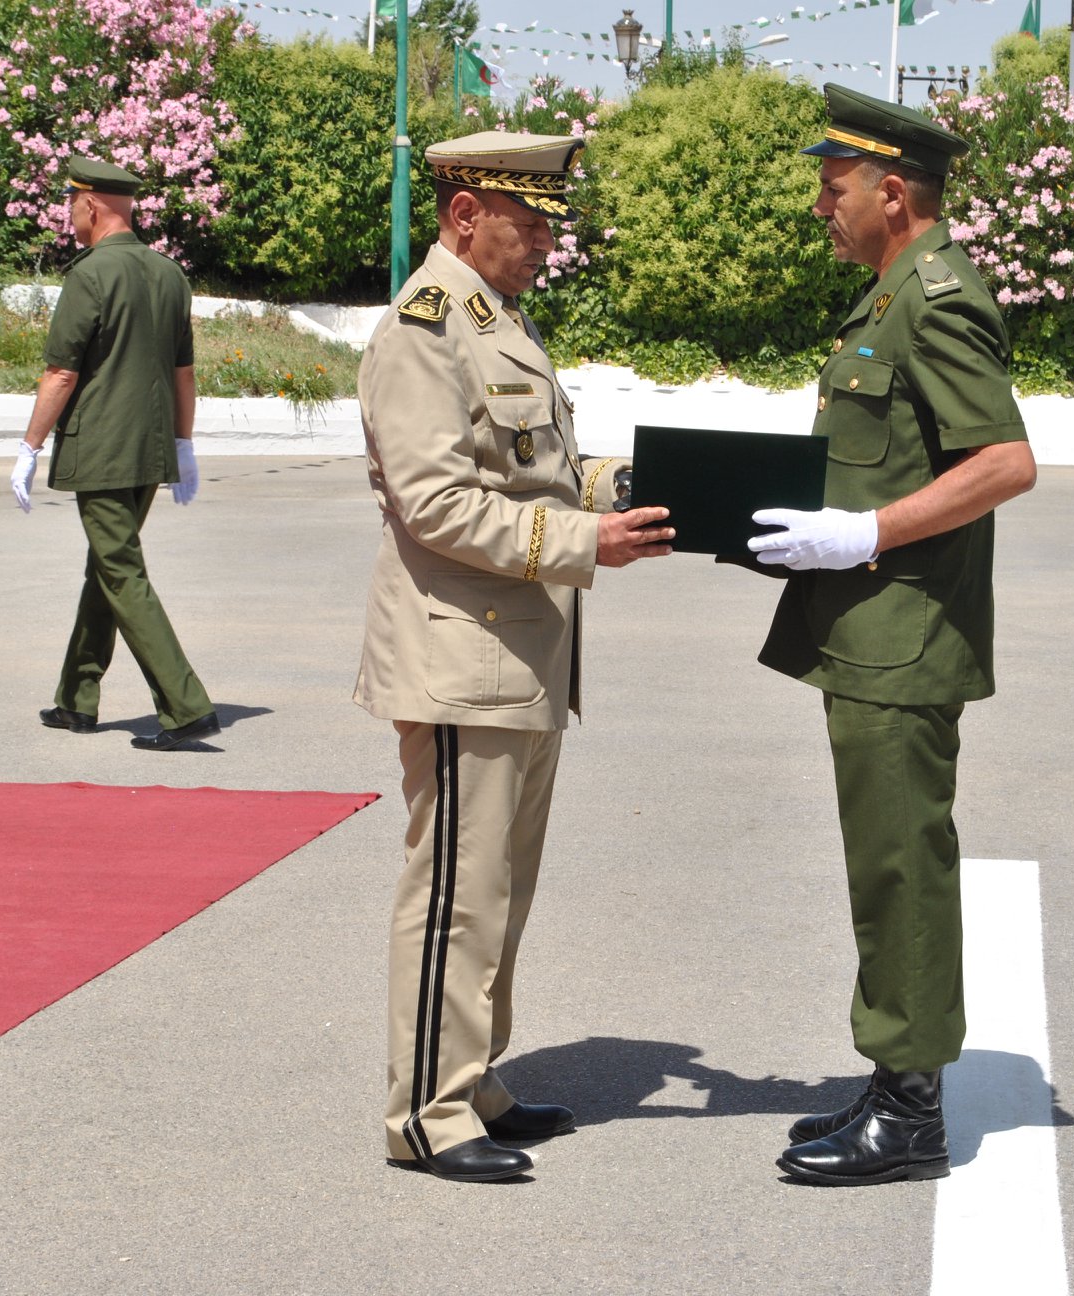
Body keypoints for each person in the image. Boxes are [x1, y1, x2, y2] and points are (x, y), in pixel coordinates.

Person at [355, 131, 672, 1183]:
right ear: (463, 217)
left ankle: (473, 1078)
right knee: (454, 888)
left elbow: (539, 471)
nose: (544, 245)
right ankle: (424, 1116)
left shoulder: (495, 320)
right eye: (528, 224)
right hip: (462, 654)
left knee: (500, 890)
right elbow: (435, 502)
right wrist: (584, 544)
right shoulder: (422, 330)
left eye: (547, 226)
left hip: (519, 654)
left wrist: (626, 490)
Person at [741, 84, 1036, 1186]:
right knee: (883, 864)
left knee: (901, 865)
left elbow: (1004, 461)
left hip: (903, 638)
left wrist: (861, 531)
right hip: (870, 631)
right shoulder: (888, 298)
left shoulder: (934, 297)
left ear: (891, 191)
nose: (823, 207)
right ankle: (892, 1079)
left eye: (834, 189)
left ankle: (911, 1112)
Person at [9, 155, 219, 753]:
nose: (68, 212)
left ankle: (184, 706)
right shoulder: (168, 274)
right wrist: (183, 443)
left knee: (121, 570)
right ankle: (77, 697)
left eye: (71, 203)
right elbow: (184, 374)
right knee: (107, 565)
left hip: (101, 449)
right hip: (150, 451)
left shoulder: (91, 274)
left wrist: (29, 446)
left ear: (91, 205)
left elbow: (59, 372)